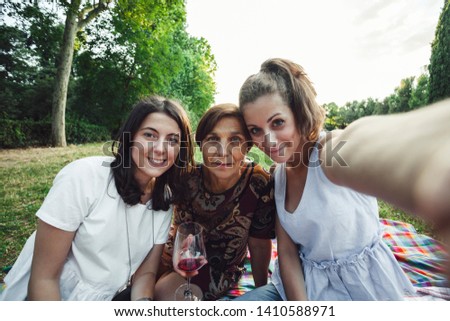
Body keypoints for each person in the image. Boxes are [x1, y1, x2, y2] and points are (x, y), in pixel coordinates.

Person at [235, 58, 423, 301]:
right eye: (255, 130)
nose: (267, 141)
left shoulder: (330, 151)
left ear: (299, 113)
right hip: (302, 287)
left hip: (361, 289)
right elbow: (288, 255)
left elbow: (378, 157)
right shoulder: (279, 175)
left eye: (278, 122)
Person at [0, 95, 194, 301]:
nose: (160, 148)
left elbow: (145, 274)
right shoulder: (84, 176)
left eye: (172, 140)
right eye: (149, 135)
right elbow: (44, 278)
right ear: (130, 138)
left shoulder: (164, 200)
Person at [154, 103, 276, 301]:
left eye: (235, 140)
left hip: (222, 272)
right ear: (201, 144)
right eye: (213, 139)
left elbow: (260, 243)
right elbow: (176, 237)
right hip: (181, 263)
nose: (223, 152)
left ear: (248, 146)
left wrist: (262, 292)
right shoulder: (187, 179)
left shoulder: (258, 181)